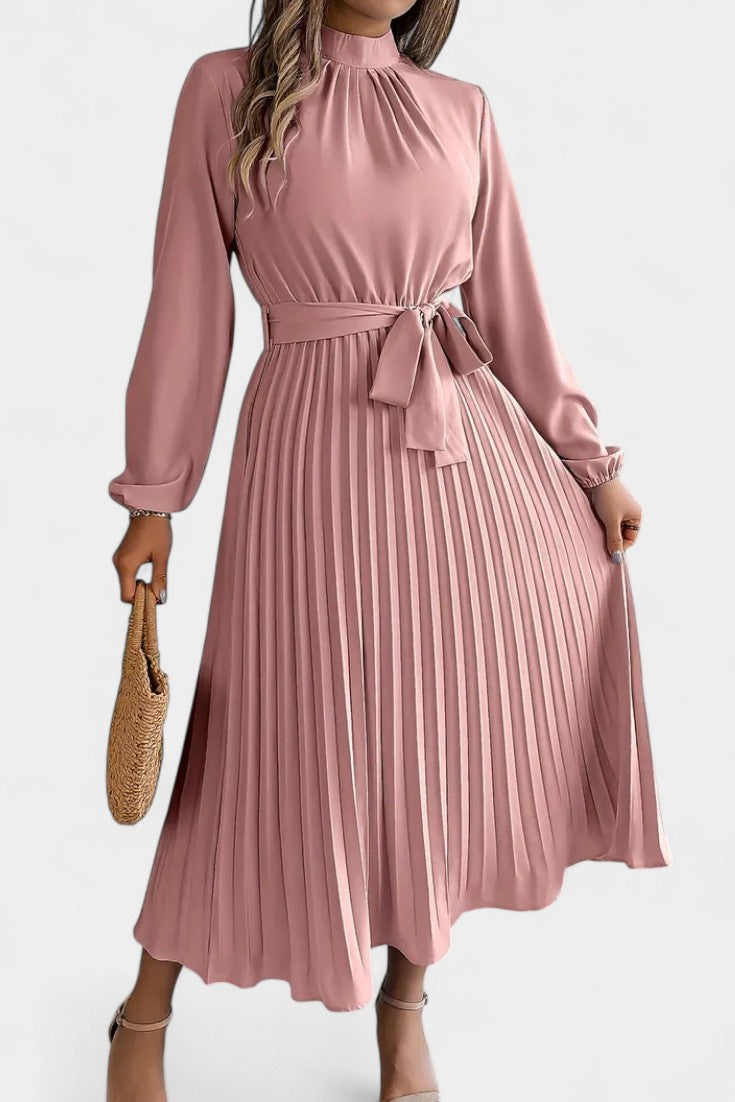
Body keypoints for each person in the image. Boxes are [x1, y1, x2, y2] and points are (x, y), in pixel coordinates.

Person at [106, 2, 670, 1099]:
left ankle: (404, 1009)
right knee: (261, 732)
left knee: (438, 740)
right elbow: (188, 304)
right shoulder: (226, 89)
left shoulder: (462, 109)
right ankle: (145, 1008)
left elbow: (511, 305)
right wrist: (155, 498)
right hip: (307, 452)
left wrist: (591, 466)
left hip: (461, 456)